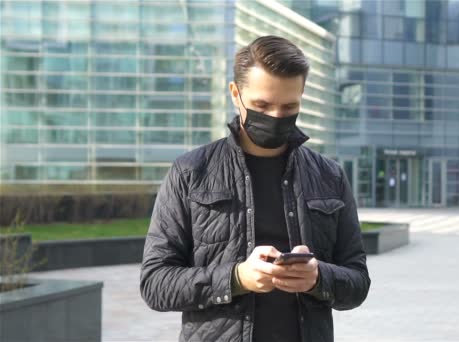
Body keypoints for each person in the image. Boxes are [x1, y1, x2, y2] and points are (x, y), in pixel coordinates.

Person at [140, 35, 370, 342]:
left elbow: (358, 283)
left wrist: (318, 277)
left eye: (289, 106)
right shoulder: (191, 172)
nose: (276, 117)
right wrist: (235, 278)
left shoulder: (330, 176)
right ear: (235, 93)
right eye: (262, 105)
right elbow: (155, 284)